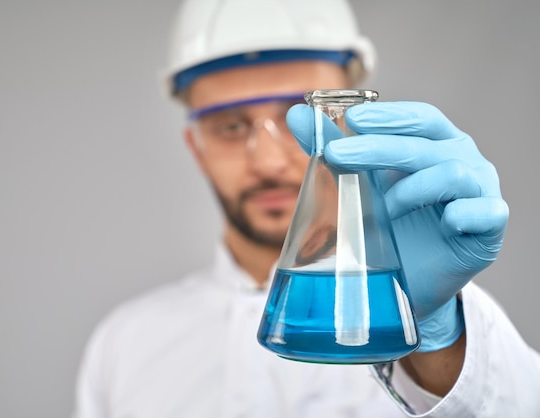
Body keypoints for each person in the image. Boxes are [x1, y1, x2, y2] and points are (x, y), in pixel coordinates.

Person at [74, 0, 540, 416]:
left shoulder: (451, 325)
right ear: (196, 147)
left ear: (356, 119)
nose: (270, 160)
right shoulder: (125, 347)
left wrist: (440, 339)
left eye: (299, 114)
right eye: (232, 126)